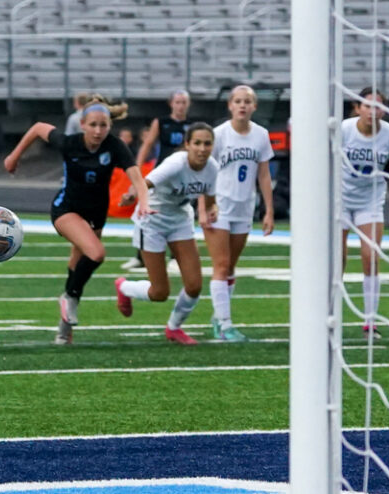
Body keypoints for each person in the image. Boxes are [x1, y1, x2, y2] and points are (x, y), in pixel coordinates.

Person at [4, 98, 142, 345]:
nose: (98, 131)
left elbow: (137, 177)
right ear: (82, 124)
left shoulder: (115, 146)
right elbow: (38, 128)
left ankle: (64, 330)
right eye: (93, 125)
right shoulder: (69, 143)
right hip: (66, 210)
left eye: (103, 125)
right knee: (96, 254)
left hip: (96, 213)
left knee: (77, 265)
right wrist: (14, 156)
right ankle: (68, 299)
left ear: (110, 126)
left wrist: (141, 199)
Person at [114, 123, 219, 345]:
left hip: (180, 220)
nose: (202, 149)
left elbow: (209, 198)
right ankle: (123, 287)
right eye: (197, 143)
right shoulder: (176, 163)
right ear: (187, 144)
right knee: (159, 292)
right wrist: (132, 195)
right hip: (152, 220)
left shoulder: (212, 168)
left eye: (207, 144)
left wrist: (212, 210)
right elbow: (145, 182)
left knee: (194, 286)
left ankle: (174, 328)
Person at [205, 85, 276, 343]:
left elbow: (264, 174)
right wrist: (204, 206)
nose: (242, 105)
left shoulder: (261, 135)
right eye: (238, 101)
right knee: (221, 265)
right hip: (219, 207)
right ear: (230, 105)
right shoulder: (219, 135)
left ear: (254, 106)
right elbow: (204, 171)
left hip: (244, 207)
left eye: (247, 101)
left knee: (231, 266)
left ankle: (218, 317)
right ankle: (225, 325)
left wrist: (269, 210)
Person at [340, 87, 389, 339]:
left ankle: (370, 322)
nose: (372, 111)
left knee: (371, 256)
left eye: (378, 106)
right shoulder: (343, 130)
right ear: (357, 108)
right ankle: (331, 315)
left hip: (370, 201)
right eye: (367, 105)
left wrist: (377, 184)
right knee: (337, 259)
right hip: (340, 199)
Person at [122, 90, 197, 271]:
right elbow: (147, 145)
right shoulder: (161, 122)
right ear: (171, 104)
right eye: (177, 102)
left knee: (179, 213)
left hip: (181, 176)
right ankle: (141, 256)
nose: (180, 106)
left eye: (183, 102)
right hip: (160, 175)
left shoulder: (192, 126)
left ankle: (175, 257)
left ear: (188, 104)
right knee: (148, 212)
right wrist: (137, 170)